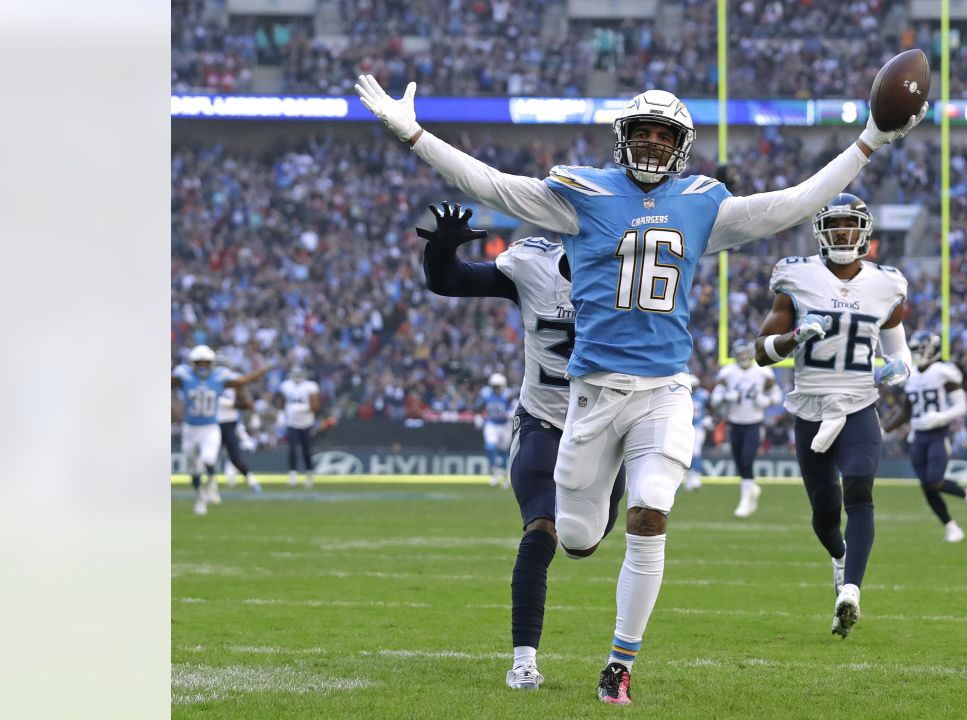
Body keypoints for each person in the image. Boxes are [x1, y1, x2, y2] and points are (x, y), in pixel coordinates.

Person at [356, 74, 925, 704]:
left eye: (664, 135)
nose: (653, 144)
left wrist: (870, 140)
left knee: (651, 513)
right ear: (623, 138)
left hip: (664, 388)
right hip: (593, 395)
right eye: (643, 133)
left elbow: (791, 203)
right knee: (574, 538)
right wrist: (412, 134)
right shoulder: (582, 193)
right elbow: (492, 183)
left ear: (682, 144)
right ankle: (593, 523)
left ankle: (618, 666)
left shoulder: (702, 201)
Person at [418, 202, 626, 691]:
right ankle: (524, 660)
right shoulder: (532, 266)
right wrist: (442, 246)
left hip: (605, 424)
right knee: (541, 529)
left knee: (584, 543)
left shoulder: (634, 280)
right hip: (544, 420)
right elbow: (448, 281)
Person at [754, 193, 913, 638]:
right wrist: (792, 339)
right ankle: (840, 560)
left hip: (860, 402)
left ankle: (852, 591)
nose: (842, 232)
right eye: (835, 224)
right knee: (825, 514)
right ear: (821, 232)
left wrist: (897, 367)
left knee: (859, 491)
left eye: (850, 225)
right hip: (810, 406)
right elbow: (759, 352)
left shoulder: (888, 283)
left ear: (864, 232)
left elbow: (897, 348)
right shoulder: (797, 276)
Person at [884, 333, 967, 542]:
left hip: (937, 434)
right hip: (918, 436)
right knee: (926, 486)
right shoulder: (912, 375)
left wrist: (940, 418)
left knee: (934, 480)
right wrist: (884, 429)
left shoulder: (943, 372)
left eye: (919, 349)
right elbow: (906, 411)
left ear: (930, 349)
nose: (915, 354)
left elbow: (962, 406)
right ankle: (952, 528)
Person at [172, 346, 269, 515]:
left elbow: (242, 381)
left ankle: (211, 483)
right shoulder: (184, 376)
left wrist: (263, 370)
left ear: (212, 364)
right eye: (199, 363)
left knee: (209, 460)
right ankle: (200, 496)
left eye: (206, 363)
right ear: (193, 364)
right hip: (190, 429)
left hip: (210, 427)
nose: (202, 366)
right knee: (194, 470)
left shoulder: (219, 377)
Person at [711, 340, 781, 517]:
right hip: (734, 423)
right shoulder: (727, 373)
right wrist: (726, 397)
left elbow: (777, 396)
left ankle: (744, 501)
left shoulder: (763, 372)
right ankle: (752, 489)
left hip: (754, 423)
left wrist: (767, 401)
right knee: (739, 461)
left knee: (746, 460)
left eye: (745, 353)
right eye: (740, 354)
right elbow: (714, 400)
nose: (743, 357)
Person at [216, 356, 261, 493]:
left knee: (234, 456)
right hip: (212, 423)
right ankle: (211, 485)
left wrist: (231, 404)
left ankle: (250, 479)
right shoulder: (209, 380)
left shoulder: (235, 379)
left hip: (230, 422)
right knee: (209, 456)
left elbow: (246, 401)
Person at [279, 365, 320, 489]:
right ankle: (292, 475)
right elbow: (281, 402)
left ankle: (309, 476)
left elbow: (315, 406)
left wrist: (305, 408)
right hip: (291, 422)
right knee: (292, 450)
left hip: (306, 423)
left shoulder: (310, 386)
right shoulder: (286, 386)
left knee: (306, 450)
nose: (297, 377)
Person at [477, 373, 516, 489]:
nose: (496, 389)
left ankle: (504, 475)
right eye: (494, 386)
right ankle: (495, 472)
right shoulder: (486, 393)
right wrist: (478, 416)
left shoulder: (508, 395)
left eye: (498, 386)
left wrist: (510, 414)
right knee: (490, 447)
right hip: (492, 424)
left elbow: (516, 408)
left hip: (505, 425)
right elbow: (479, 406)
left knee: (504, 451)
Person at [682, 376, 711, 491]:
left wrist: (709, 418)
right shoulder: (681, 395)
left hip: (698, 426)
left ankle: (696, 477)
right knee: (686, 453)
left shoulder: (703, 395)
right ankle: (689, 478)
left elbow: (711, 408)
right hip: (684, 426)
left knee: (696, 451)